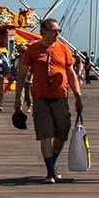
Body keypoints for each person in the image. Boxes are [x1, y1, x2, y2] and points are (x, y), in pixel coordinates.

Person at [15, 17, 84, 183]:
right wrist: (18, 99)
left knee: (62, 133)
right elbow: (22, 74)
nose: (58, 33)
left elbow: (71, 74)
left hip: (60, 97)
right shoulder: (33, 49)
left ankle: (52, 163)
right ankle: (50, 172)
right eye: (55, 31)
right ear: (44, 32)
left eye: (59, 31)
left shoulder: (64, 49)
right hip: (40, 98)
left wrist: (78, 96)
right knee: (45, 134)